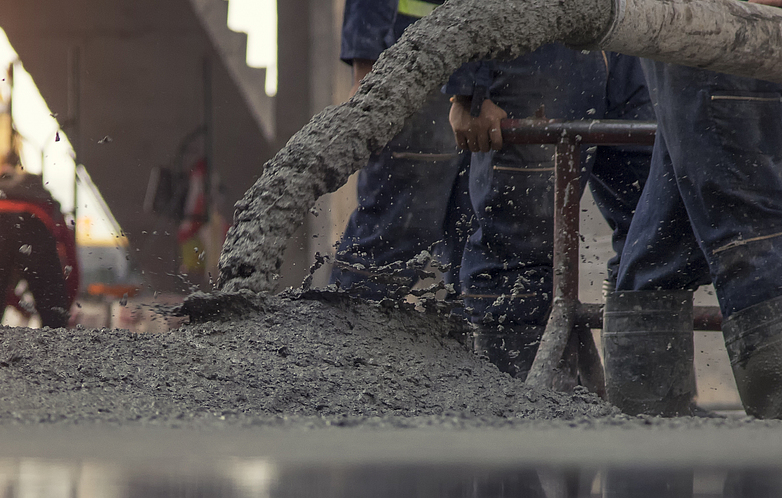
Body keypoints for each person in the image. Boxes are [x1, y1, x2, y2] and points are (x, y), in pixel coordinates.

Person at [602, 5, 782, 419]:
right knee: (729, 238)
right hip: (720, 31)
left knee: (699, 241)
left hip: (705, 30)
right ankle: (650, 446)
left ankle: (648, 446)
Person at [447, 47, 655, 380]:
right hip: (535, 41)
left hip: (628, 37)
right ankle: (519, 406)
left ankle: (652, 404)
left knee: (654, 227)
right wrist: (466, 86)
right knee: (518, 241)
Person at [330, 0, 474, 300]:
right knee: (398, 229)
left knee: (474, 233)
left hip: (485, 63)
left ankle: (465, 342)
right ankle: (347, 334)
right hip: (417, 59)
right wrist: (367, 70)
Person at [0, 151, 78, 328]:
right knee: (54, 322)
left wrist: (17, 304)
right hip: (35, 227)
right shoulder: (44, 200)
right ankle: (57, 347)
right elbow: (71, 261)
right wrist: (62, 309)